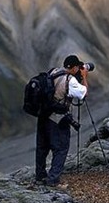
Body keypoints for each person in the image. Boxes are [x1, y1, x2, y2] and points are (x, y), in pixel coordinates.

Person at [35, 55, 88, 187]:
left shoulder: (53, 72)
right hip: (57, 119)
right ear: (75, 67)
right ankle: (53, 180)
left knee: (42, 147)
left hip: (43, 116)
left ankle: (40, 176)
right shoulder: (70, 81)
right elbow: (84, 93)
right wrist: (84, 76)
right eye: (78, 67)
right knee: (61, 148)